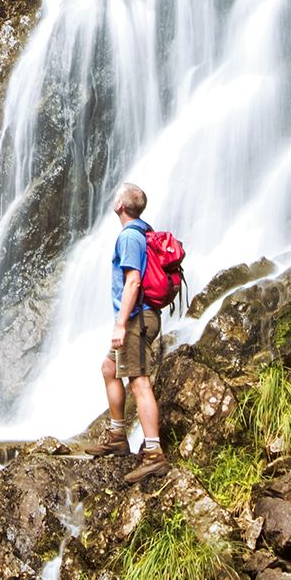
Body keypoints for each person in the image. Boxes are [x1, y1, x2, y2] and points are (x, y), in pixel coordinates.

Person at [86, 182, 167, 481]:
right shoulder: (143, 232)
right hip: (138, 316)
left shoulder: (130, 237)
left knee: (139, 382)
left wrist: (121, 323)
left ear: (120, 206)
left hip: (137, 319)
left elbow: (133, 281)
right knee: (109, 368)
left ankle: (154, 454)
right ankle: (118, 435)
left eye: (116, 196)